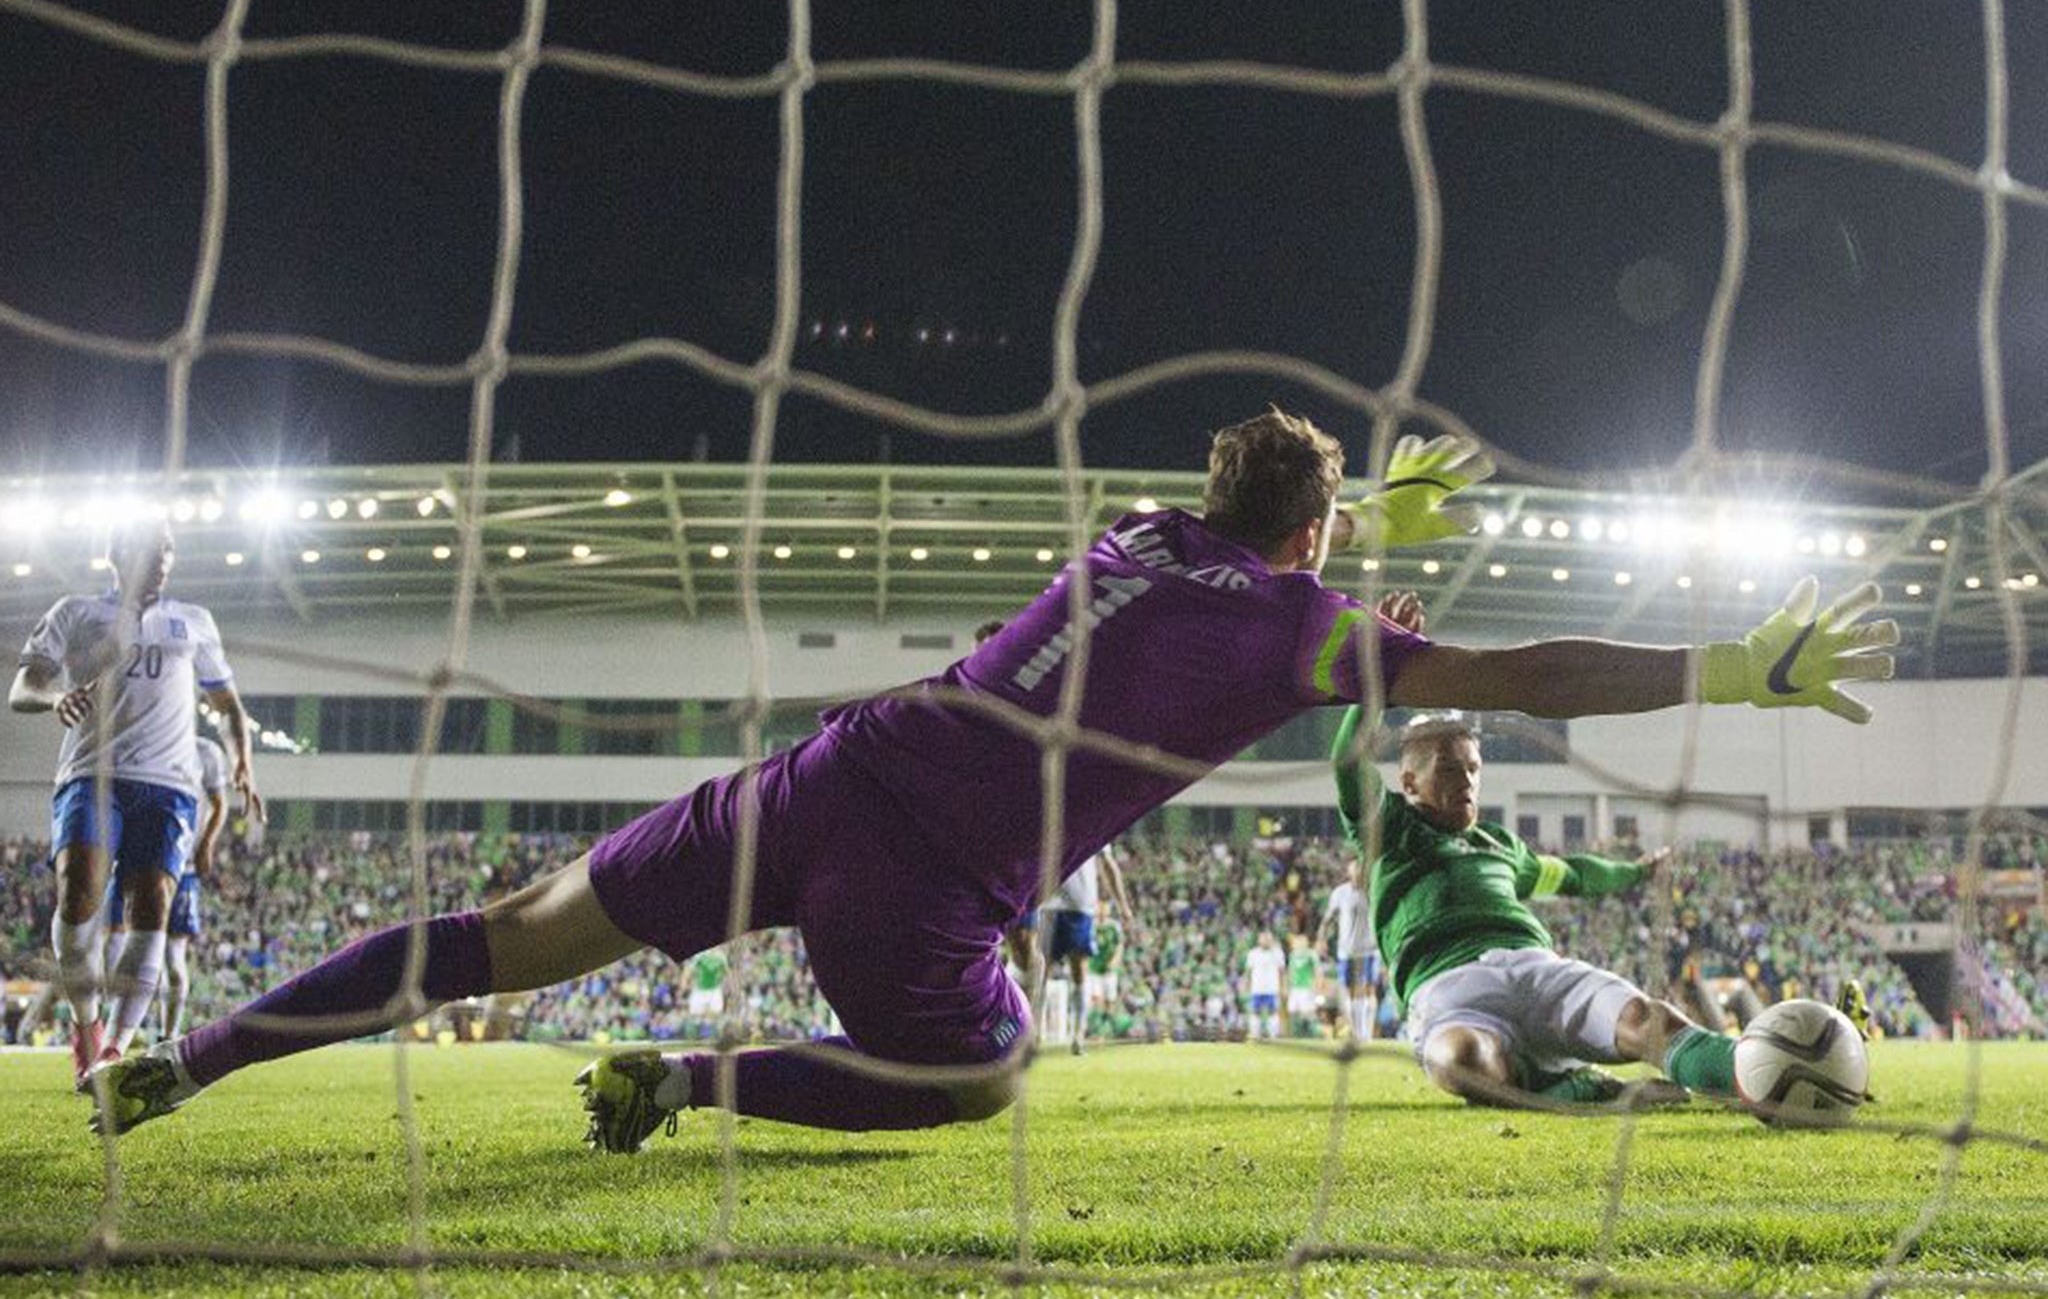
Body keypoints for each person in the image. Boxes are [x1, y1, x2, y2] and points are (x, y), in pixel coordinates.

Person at [89, 413, 1894, 1146]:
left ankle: (199, 1055)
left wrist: (1363, 537)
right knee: (982, 1073)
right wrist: (1735, 663)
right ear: (1320, 531)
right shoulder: (1291, 632)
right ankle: (690, 1082)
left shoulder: (1129, 533)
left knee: (503, 932)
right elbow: (1524, 672)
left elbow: (1244, 549)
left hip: (832, 769)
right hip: (932, 868)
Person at [1331, 587, 1886, 1107]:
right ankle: (1574, 1089)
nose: (1468, 782)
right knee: (1462, 1060)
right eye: (1450, 769)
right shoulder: (1391, 833)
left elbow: (1574, 874)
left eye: (1473, 768)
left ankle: (1764, 1070)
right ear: (1408, 782)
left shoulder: (1499, 848)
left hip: (1539, 968)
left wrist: (1634, 874)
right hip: (1451, 991)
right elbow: (1347, 761)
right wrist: (1377, 673)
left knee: (1651, 1021)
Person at [9, 520, 262, 1082]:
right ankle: (86, 1023)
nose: (163, 558)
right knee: (79, 897)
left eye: (169, 548)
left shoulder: (194, 622)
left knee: (152, 911)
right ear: (116, 554)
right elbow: (23, 688)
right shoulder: (75, 613)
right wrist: (54, 699)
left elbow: (226, 703)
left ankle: (114, 1051)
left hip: (169, 785)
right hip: (92, 774)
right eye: (151, 548)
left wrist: (241, 757)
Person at [101, 726, 229, 1044]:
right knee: (131, 950)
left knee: (173, 957)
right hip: (140, 862)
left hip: (182, 869)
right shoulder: (146, 742)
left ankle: (168, 1035)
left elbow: (219, 804)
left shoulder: (206, 752)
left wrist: (206, 844)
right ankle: (127, 1030)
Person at [1038, 847, 1134, 1055]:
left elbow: (1107, 863)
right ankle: (1033, 1033)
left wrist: (1123, 905)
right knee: (1040, 971)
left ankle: (1077, 1036)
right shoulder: (1043, 814)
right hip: (1046, 902)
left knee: (1078, 971)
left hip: (1079, 904)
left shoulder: (1093, 818)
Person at [1316, 858, 1382, 1040]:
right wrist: (1321, 938)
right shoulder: (1340, 893)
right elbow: (1328, 918)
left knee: (1369, 989)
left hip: (1369, 949)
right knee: (1350, 991)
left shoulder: (1373, 891)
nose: (1358, 874)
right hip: (1346, 950)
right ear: (1349, 872)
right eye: (1355, 870)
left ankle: (1367, 1034)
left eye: (1361, 870)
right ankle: (1357, 1032)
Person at [1243, 928, 1285, 1039]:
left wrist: (1283, 986)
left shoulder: (1278, 953)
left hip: (1272, 988)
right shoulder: (1253, 953)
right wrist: (1246, 984)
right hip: (1257, 988)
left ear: (1272, 940)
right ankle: (1255, 1034)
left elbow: (1282, 972)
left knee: (1273, 1011)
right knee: (1255, 1011)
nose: (1266, 941)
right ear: (1259, 940)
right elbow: (1248, 971)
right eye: (1263, 938)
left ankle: (1273, 1035)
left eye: (1268, 939)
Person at [1284, 932, 1322, 1038]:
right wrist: (1287, 985)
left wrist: (1318, 985)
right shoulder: (1293, 954)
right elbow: (1290, 971)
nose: (1300, 943)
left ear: (1306, 942)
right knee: (1292, 1010)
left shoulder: (1311, 954)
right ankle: (1296, 1034)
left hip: (1307, 987)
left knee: (1308, 1012)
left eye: (1302, 941)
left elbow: (1318, 970)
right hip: (1295, 988)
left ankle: (1312, 1034)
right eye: (1298, 941)